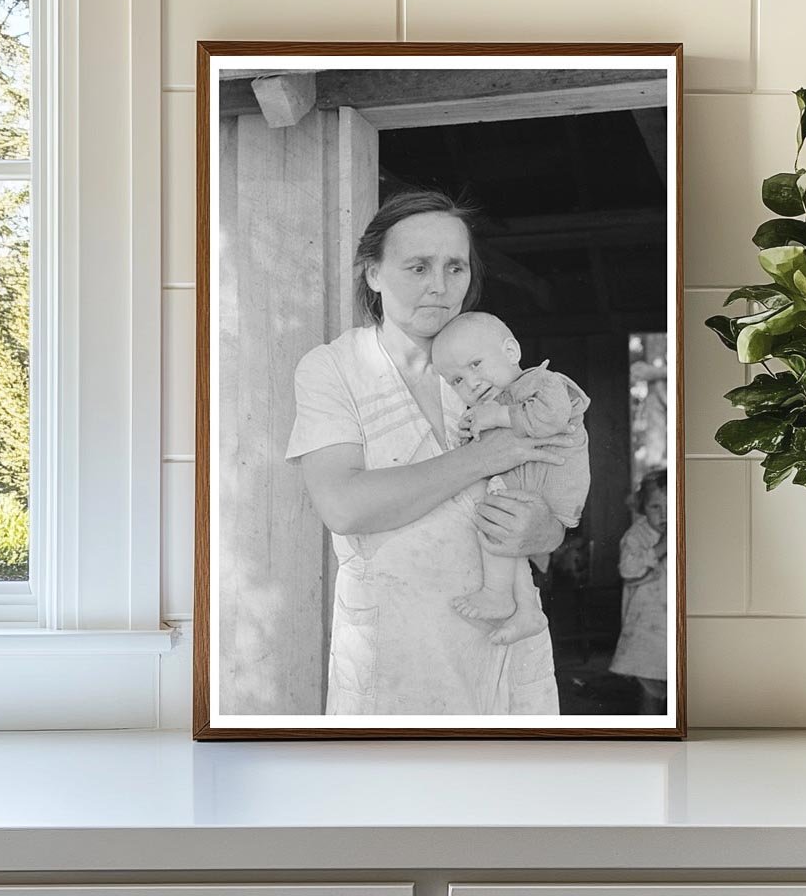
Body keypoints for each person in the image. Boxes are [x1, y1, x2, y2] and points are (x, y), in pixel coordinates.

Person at [285, 189, 574, 715]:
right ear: (372, 273)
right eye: (417, 267)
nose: (439, 287)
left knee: (515, 791)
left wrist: (547, 531)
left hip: (507, 632)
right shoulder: (333, 368)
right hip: (396, 645)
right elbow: (344, 506)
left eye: (455, 268)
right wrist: (485, 457)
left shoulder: (493, 366)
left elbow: (550, 494)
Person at [431, 312, 590, 646]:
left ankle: (497, 594)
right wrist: (471, 430)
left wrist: (497, 416)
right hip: (532, 483)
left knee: (493, 516)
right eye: (457, 380)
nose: (471, 382)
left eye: (476, 364)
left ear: (511, 351)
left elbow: (553, 416)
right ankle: (527, 609)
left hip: (553, 484)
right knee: (500, 527)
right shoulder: (498, 401)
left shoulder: (542, 382)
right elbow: (489, 452)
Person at [609, 468, 668, 714]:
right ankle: (651, 729)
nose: (664, 514)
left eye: (670, 505)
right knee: (649, 683)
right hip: (646, 627)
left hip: (671, 624)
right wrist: (660, 548)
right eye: (656, 507)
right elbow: (628, 569)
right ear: (643, 507)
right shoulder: (636, 535)